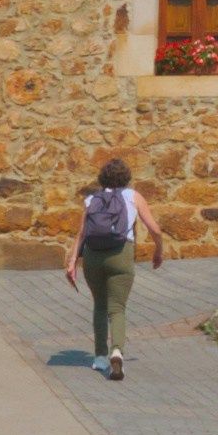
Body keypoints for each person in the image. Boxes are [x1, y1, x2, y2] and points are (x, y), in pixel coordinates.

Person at [67, 159, 166, 380]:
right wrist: (159, 250)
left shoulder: (92, 199)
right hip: (121, 255)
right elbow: (155, 229)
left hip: (93, 257)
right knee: (117, 308)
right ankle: (117, 352)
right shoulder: (133, 197)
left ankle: (100, 357)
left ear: (102, 178)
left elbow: (81, 234)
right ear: (126, 178)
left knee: (100, 306)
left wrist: (72, 260)